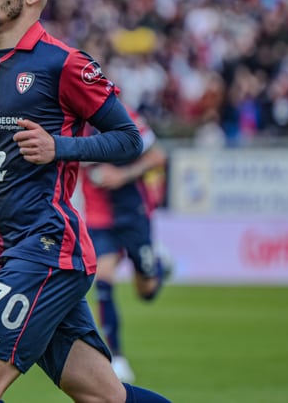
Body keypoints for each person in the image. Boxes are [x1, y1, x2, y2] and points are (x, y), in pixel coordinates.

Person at [0, 0, 171, 403]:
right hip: (10, 253)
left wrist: (58, 146)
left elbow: (130, 139)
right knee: (105, 396)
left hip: (46, 248)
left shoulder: (64, 63)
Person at [79, 106, 171, 384]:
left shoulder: (123, 116)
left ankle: (158, 266)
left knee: (147, 291)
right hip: (99, 218)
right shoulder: (64, 120)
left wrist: (123, 175)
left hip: (133, 215)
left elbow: (158, 157)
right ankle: (116, 356)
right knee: (103, 279)